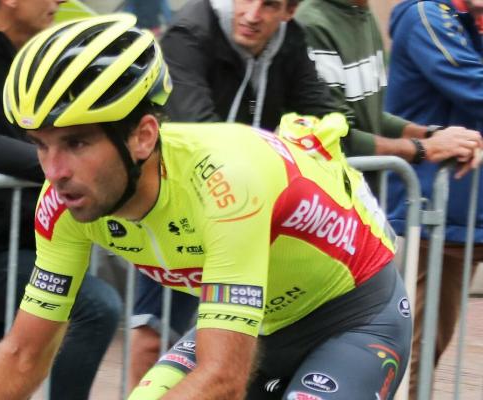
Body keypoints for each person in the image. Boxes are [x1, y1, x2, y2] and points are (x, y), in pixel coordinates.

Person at [0, 14, 417, 399]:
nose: (54, 170)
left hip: (351, 317)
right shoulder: (62, 204)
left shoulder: (225, 181)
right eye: (41, 145)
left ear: (143, 136)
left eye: (77, 142)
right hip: (259, 320)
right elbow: (23, 355)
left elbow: (222, 380)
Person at [127, 0, 341, 387]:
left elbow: (324, 117)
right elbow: (200, 131)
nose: (253, 14)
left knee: (235, 339)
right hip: (175, 205)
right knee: (155, 333)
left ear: (289, 12)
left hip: (244, 214)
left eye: (270, 5)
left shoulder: (289, 39)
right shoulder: (191, 31)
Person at [0, 0, 122, 398]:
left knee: (2, 369)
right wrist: (72, 162)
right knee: (96, 308)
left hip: (28, 237)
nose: (60, 3)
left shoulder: (25, 49)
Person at [383, 0, 483, 397]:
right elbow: (474, 86)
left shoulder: (468, 20)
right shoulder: (426, 15)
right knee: (419, 344)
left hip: (464, 206)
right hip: (438, 204)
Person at [295, 0, 482, 174]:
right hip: (329, 198)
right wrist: (423, 148)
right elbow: (331, 138)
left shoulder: (363, 13)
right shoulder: (313, 24)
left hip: (364, 196)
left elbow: (371, 117)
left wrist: (432, 134)